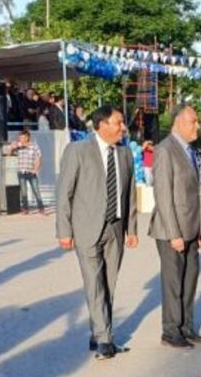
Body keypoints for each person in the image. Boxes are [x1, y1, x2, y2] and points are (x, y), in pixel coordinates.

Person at [55, 106, 139, 360]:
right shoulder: (78, 151)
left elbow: (130, 194)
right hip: (86, 228)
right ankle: (105, 340)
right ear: (101, 125)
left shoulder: (124, 154)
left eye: (123, 123)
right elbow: (64, 193)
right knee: (94, 284)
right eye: (118, 123)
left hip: (115, 228)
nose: (122, 128)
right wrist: (64, 230)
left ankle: (98, 333)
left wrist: (131, 229)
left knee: (108, 284)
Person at [148, 104, 201, 349]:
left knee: (189, 281)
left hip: (190, 229)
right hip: (171, 231)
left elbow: (190, 195)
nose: (198, 126)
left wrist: (198, 230)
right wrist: (174, 234)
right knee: (174, 283)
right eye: (194, 121)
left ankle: (186, 327)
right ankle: (171, 332)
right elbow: (163, 196)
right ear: (179, 122)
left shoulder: (188, 150)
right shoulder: (165, 150)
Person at [8, 130, 46, 215]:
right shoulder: (18, 146)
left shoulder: (34, 146)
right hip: (21, 171)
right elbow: (9, 154)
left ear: (27, 137)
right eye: (19, 137)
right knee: (23, 192)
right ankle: (25, 209)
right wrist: (11, 148)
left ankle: (41, 209)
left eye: (22, 137)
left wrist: (35, 170)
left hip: (31, 172)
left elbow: (39, 158)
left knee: (36, 191)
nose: (20, 138)